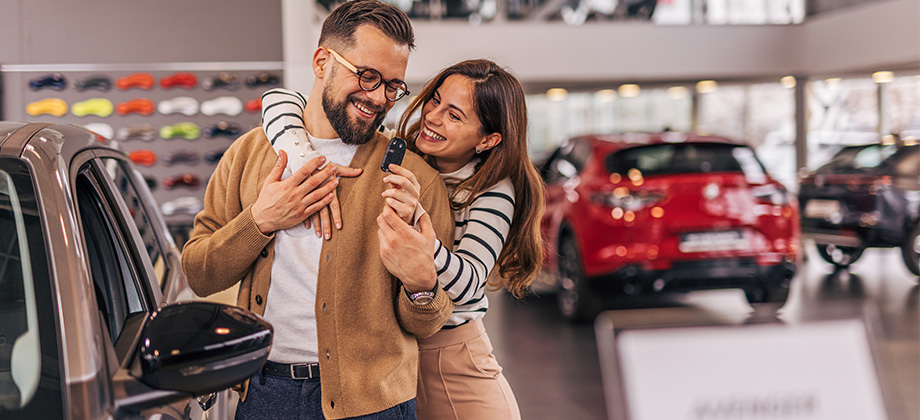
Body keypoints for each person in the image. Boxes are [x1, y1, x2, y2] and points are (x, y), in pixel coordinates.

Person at [180, 1, 456, 419]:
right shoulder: (247, 156)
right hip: (264, 396)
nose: (379, 97)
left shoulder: (415, 180)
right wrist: (261, 221)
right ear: (322, 61)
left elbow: (426, 323)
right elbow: (200, 274)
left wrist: (422, 284)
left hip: (376, 405)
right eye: (367, 76)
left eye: (393, 86)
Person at [261, 59, 545, 420]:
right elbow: (277, 99)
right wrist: (304, 162)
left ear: (488, 139)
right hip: (391, 360)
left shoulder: (492, 190)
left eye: (454, 116)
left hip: (452, 361)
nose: (433, 117)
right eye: (435, 100)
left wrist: (419, 231)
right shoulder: (402, 150)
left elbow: (469, 284)